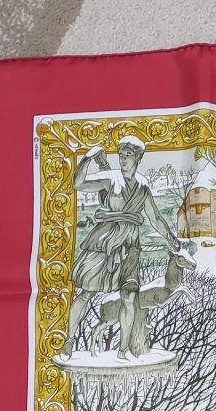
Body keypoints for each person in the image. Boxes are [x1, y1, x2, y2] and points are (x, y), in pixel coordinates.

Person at [62, 136, 179, 360]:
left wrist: (170, 238)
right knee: (86, 292)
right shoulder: (111, 177)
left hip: (131, 245)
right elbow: (78, 184)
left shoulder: (143, 186)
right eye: (121, 155)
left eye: (128, 155)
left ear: (138, 158)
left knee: (129, 295)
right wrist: (87, 159)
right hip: (105, 243)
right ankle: (69, 340)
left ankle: (122, 350)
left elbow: (155, 218)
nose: (123, 160)